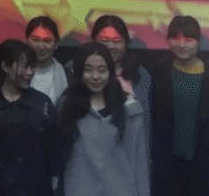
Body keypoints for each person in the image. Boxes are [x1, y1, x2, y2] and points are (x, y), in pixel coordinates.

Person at [152, 16, 209, 196]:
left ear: (198, 42)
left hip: (206, 169)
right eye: (176, 38)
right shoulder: (158, 74)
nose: (182, 44)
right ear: (168, 41)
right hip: (167, 169)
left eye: (188, 39)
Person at [58, 42, 149, 196]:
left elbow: (140, 164)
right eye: (88, 70)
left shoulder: (129, 109)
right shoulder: (66, 107)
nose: (95, 76)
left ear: (111, 72)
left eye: (102, 70)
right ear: (78, 72)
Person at [0, 39, 61, 196]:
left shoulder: (42, 103)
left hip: (36, 186)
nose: (30, 72)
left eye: (32, 66)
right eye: (24, 66)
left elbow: (54, 149)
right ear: (5, 67)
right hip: (0, 187)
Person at [90, 15, 152, 140]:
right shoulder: (76, 69)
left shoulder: (140, 74)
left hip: (128, 144)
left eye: (117, 41)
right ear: (93, 41)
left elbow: (145, 121)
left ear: (126, 43)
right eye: (104, 40)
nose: (110, 46)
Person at [25, 17, 68, 105]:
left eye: (47, 41)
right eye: (35, 40)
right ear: (26, 41)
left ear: (56, 43)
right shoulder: (16, 74)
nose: (41, 47)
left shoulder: (68, 75)